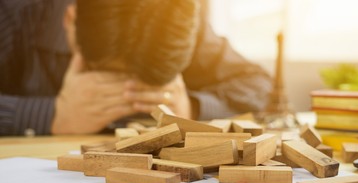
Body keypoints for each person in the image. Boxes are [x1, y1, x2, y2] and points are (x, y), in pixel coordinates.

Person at [0, 0, 272, 136]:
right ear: (71, 20)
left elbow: (259, 84)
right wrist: (49, 117)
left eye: (144, 82)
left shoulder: (177, 23)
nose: (124, 92)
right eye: (108, 75)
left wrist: (192, 108)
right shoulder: (13, 16)